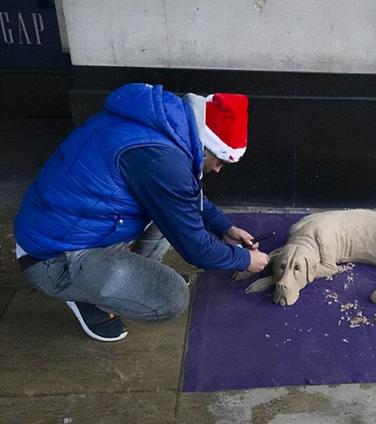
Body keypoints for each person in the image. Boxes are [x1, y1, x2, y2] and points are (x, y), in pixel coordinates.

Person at [13, 83, 269, 342]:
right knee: (171, 297)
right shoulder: (161, 161)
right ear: (208, 146)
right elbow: (196, 249)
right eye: (221, 161)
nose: (217, 170)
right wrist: (245, 260)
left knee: (169, 213)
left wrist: (222, 227)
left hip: (63, 229)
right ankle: (87, 294)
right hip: (51, 260)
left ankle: (129, 278)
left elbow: (182, 194)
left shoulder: (163, 127)